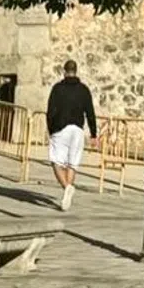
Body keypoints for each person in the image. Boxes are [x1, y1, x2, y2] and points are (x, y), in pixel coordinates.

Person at [46, 59, 98, 211]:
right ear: (76, 71)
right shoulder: (84, 90)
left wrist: (51, 129)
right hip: (77, 129)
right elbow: (90, 112)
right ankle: (67, 195)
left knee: (56, 161)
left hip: (60, 129)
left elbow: (50, 111)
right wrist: (93, 133)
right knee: (72, 163)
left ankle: (67, 187)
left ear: (64, 71)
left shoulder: (57, 89)